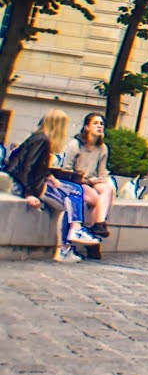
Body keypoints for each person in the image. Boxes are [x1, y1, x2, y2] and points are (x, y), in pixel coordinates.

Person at [7, 109, 97, 263]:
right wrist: (29, 194)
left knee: (74, 194)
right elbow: (28, 167)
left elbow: (33, 163)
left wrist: (49, 175)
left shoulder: (38, 137)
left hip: (34, 181)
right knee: (72, 198)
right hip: (30, 185)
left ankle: (72, 236)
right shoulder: (43, 140)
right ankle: (67, 243)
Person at [60, 112, 113, 260]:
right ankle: (95, 239)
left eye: (101, 124)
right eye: (95, 123)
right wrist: (88, 181)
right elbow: (66, 170)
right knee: (97, 201)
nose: (99, 126)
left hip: (92, 181)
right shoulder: (75, 145)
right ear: (86, 127)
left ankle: (99, 224)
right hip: (76, 182)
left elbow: (103, 172)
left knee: (108, 190)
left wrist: (102, 180)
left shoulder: (102, 148)